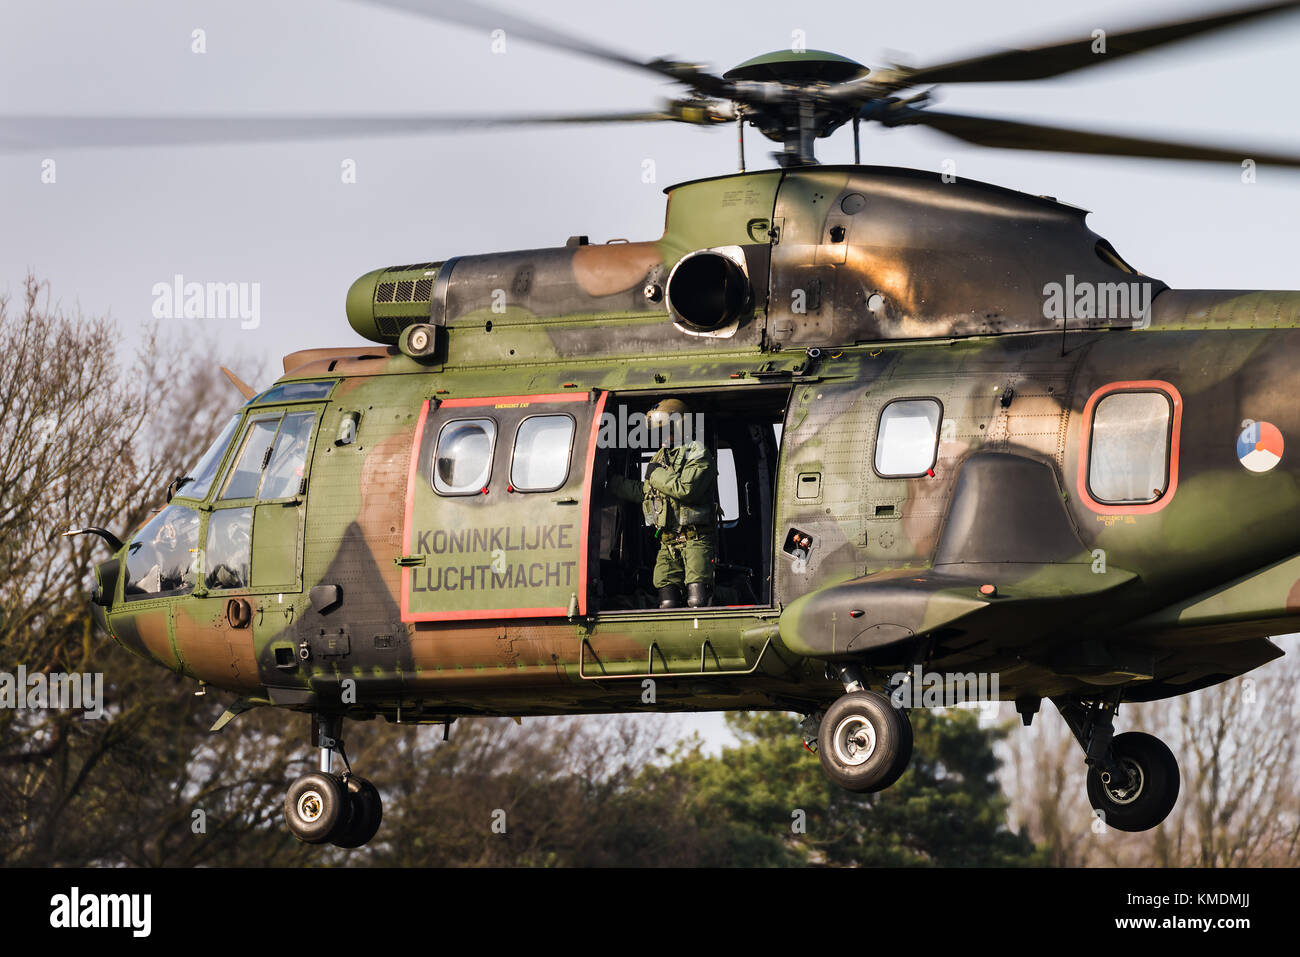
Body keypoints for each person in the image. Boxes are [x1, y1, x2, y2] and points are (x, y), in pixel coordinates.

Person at [607, 398, 717, 608]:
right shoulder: (661, 457)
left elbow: (686, 490)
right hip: (667, 543)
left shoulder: (698, 453)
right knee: (667, 602)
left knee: (698, 601)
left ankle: (733, 595)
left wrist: (655, 474)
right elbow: (648, 491)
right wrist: (613, 483)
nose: (663, 436)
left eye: (667, 429)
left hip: (696, 539)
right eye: (660, 431)